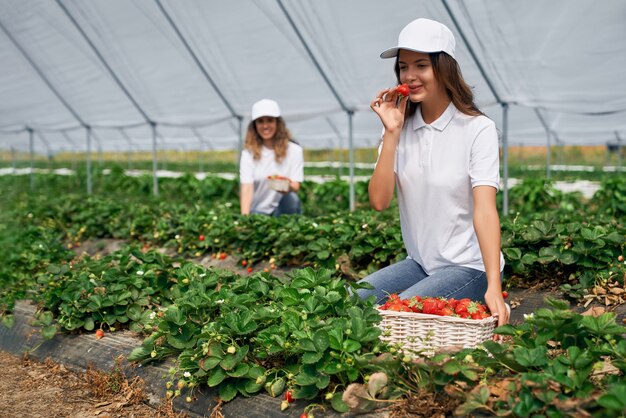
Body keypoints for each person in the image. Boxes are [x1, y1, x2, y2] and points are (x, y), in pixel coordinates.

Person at [357, 18, 509, 326]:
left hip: (469, 268)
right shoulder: (400, 129)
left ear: (444, 68)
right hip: (421, 264)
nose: (410, 76)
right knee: (351, 301)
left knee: (396, 315)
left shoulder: (478, 129)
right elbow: (379, 201)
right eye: (403, 67)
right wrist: (391, 133)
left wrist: (494, 284)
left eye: (421, 65)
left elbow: (485, 211)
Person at [239, 99, 304, 216]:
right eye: (260, 121)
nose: (265, 126)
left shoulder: (294, 150)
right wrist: (245, 218)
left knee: (292, 198)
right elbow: (246, 187)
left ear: (278, 123)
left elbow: (296, 186)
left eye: (270, 120)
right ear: (254, 125)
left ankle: (289, 227)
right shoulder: (248, 153)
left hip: (283, 209)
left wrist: (286, 186)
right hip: (258, 210)